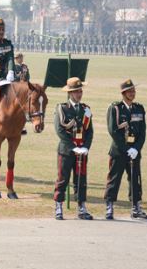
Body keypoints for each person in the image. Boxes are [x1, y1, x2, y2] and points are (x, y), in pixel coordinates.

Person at [104, 79, 147, 220]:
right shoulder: (115, 108)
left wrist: (136, 148)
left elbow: (142, 132)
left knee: (135, 180)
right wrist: (126, 149)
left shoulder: (139, 108)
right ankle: (110, 206)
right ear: (123, 93)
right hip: (119, 151)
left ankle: (136, 207)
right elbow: (113, 131)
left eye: (134, 91)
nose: (133, 93)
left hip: (134, 151)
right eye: (130, 91)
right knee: (114, 179)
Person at [53, 77, 93, 220]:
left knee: (81, 180)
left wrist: (86, 147)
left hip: (82, 151)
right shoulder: (62, 108)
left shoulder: (85, 109)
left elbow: (89, 131)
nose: (79, 94)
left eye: (80, 91)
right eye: (76, 91)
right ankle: (58, 206)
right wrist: (73, 147)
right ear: (70, 93)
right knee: (62, 179)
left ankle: (81, 207)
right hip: (66, 150)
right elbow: (60, 130)